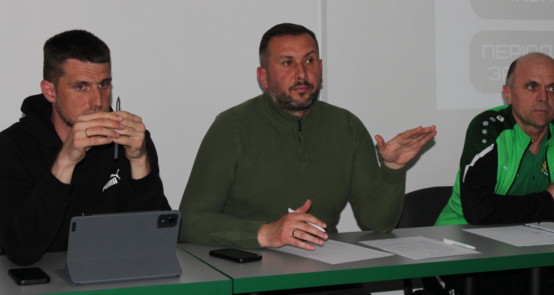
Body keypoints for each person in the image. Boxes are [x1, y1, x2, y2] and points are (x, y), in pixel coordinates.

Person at [180, 23, 437, 253]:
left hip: (325, 265)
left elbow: (378, 223)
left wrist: (392, 169)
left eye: (310, 60)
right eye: (287, 63)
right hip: (250, 267)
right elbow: (189, 222)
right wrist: (266, 233)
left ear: (321, 68)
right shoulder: (232, 127)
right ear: (264, 77)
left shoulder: (347, 126)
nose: (302, 73)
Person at [434, 52, 554, 295]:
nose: (543, 97)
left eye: (553, 88)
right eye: (532, 86)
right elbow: (479, 210)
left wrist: (515, 209)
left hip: (529, 252)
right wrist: (549, 201)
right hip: (463, 251)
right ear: (508, 93)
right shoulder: (488, 127)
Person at [0, 29, 170, 266]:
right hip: (44, 278)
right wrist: (65, 163)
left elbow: (158, 240)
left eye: (104, 84)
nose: (98, 101)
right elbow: (20, 251)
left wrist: (140, 161)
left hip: (115, 274)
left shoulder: (130, 139)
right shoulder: (12, 146)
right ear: (50, 91)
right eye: (81, 86)